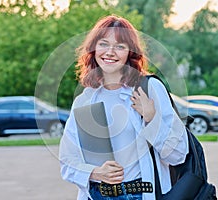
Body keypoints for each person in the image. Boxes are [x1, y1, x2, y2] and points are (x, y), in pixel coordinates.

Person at [59, 15, 188, 200]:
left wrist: (152, 119)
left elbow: (178, 155)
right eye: (103, 43)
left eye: (120, 46)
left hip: (139, 194)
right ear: (94, 49)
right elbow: (67, 161)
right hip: (97, 195)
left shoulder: (148, 89)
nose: (110, 52)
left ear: (130, 53)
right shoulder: (85, 99)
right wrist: (95, 173)